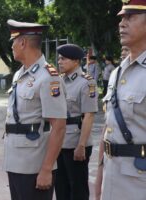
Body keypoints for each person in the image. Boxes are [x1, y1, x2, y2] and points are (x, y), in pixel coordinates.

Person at [3, 19, 67, 200]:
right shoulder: (20, 74)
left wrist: (47, 169)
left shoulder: (48, 77)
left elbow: (59, 126)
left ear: (22, 42)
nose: (12, 47)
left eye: (13, 42)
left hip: (34, 165)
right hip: (15, 161)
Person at [95, 0, 146, 200]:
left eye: (131, 17)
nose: (122, 23)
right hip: (112, 178)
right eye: (122, 18)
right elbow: (108, 130)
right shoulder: (117, 73)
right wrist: (99, 181)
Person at [55, 44, 98, 200]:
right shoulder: (59, 81)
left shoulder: (86, 83)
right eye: (59, 58)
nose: (59, 62)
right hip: (59, 142)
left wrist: (81, 145)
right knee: (60, 187)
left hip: (76, 142)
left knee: (77, 188)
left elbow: (89, 115)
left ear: (75, 61)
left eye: (63, 59)